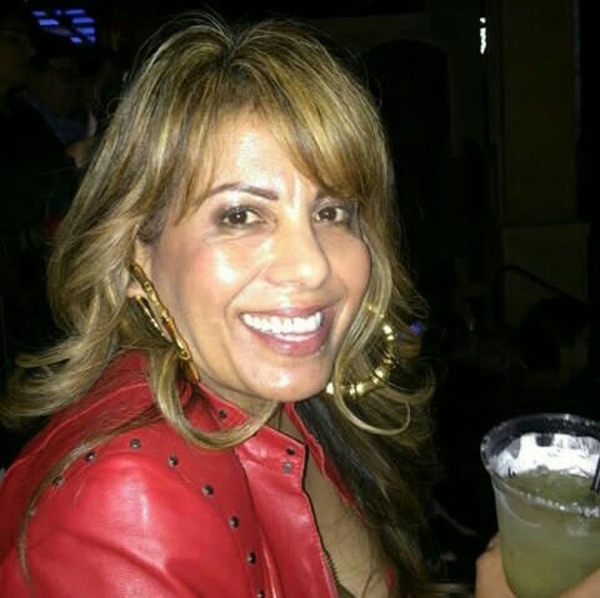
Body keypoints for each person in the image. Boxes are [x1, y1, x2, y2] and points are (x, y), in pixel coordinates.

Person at [0, 13, 439, 597]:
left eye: (331, 212)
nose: (312, 267)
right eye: (241, 215)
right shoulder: (126, 499)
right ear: (135, 253)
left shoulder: (286, 399)